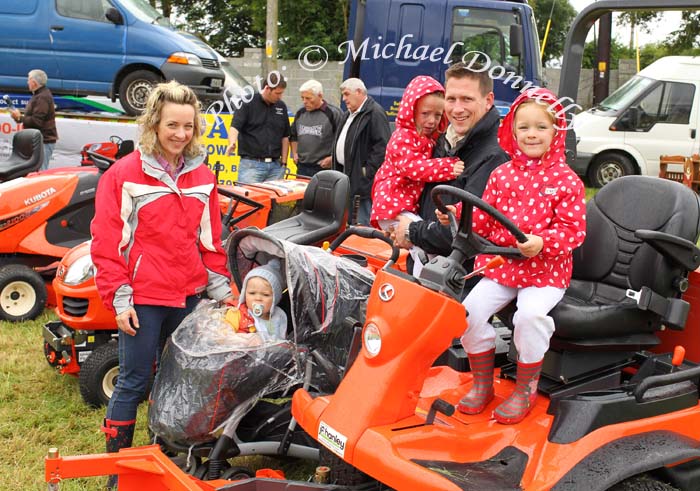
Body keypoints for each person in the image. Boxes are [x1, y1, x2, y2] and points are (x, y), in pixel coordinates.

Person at [90, 80, 234, 486]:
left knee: (176, 384)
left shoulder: (202, 176)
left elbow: (210, 244)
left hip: (187, 297)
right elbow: (107, 242)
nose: (181, 134)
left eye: (188, 126)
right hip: (143, 298)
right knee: (134, 381)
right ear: (153, 123)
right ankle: (116, 471)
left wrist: (222, 294)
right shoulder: (124, 175)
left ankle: (161, 463)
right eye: (173, 124)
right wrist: (120, 299)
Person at [436, 87, 587, 424]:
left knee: (529, 317)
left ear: (556, 132)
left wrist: (542, 242)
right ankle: (482, 383)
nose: (532, 134)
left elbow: (573, 231)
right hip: (502, 265)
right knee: (467, 313)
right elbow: (484, 215)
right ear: (512, 131)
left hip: (545, 272)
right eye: (524, 127)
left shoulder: (567, 181)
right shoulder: (502, 174)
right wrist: (456, 213)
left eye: (541, 127)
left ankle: (524, 390)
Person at [392, 62, 509, 281]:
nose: (457, 109)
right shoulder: (443, 140)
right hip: (427, 265)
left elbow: (465, 232)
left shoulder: (494, 156)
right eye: (451, 99)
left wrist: (412, 231)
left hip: (458, 280)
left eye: (467, 99)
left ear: (488, 101)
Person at [370, 75, 464, 276]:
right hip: (391, 206)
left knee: (419, 247)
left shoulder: (426, 138)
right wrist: (447, 167)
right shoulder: (403, 137)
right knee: (423, 247)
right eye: (425, 113)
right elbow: (413, 168)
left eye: (438, 115)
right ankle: (422, 284)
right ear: (410, 111)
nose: (432, 121)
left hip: (399, 207)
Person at [332, 78, 391, 225]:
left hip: (363, 182)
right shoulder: (348, 114)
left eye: (346, 94)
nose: (344, 98)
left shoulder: (374, 113)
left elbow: (382, 146)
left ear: (359, 92)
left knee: (362, 223)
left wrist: (366, 171)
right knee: (347, 221)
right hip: (346, 175)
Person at [226, 74, 291, 184]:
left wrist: (284, 163)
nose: (280, 97)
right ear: (267, 88)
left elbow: (285, 136)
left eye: (281, 93)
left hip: (276, 166)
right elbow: (235, 126)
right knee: (248, 200)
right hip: (251, 165)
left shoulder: (281, 106)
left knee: (273, 201)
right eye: (277, 93)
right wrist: (232, 142)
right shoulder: (247, 102)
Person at [223, 259, 288, 344]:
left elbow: (282, 338)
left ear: (275, 298)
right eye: (252, 293)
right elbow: (223, 336)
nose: (258, 298)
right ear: (244, 294)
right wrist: (245, 339)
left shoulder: (277, 316)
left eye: (265, 295)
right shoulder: (237, 313)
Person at [290, 80, 342, 178]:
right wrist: (294, 153)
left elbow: (344, 141)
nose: (305, 101)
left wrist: (333, 158)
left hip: (323, 168)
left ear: (320, 96)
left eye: (308, 98)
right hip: (302, 168)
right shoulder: (300, 113)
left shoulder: (333, 114)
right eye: (302, 98)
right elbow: (293, 135)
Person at [10, 69, 58, 170]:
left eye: (28, 80)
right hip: (40, 141)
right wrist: (19, 118)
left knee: (40, 172)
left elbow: (37, 122)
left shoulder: (42, 97)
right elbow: (34, 119)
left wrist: (20, 117)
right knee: (35, 172)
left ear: (34, 82)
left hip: (44, 141)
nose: (27, 82)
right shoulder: (40, 95)